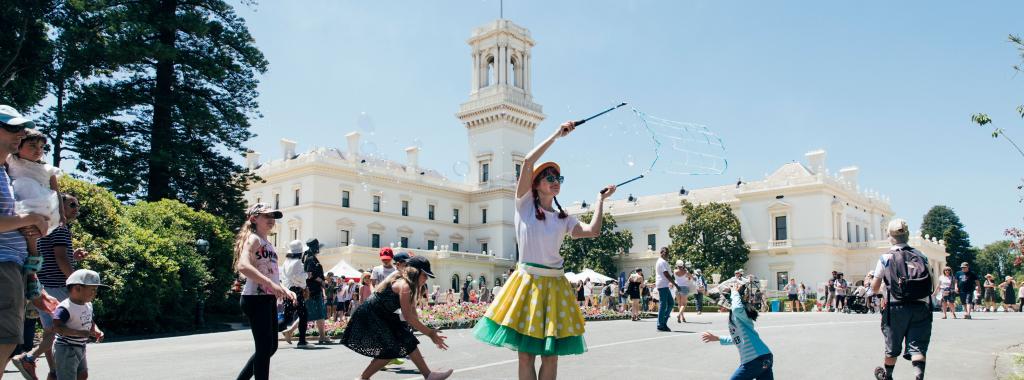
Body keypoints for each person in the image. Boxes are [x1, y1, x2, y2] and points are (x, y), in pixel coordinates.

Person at [473, 119, 617, 380]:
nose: (555, 181)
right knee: (525, 353)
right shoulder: (525, 205)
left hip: (554, 285)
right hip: (527, 283)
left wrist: (600, 200)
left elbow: (593, 231)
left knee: (551, 354)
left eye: (558, 178)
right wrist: (556, 135)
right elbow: (527, 162)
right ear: (536, 183)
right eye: (549, 177)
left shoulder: (564, 218)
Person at [0, 105, 52, 374]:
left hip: (14, 265)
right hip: (3, 266)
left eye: (21, 128)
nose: (19, 133)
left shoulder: (5, 175)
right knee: (5, 341)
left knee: (8, 341)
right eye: (11, 128)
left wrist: (34, 225)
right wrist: (31, 218)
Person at [340, 256, 452, 380]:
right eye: (425, 275)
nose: (426, 279)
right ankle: (363, 378)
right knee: (392, 349)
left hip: (384, 315)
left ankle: (428, 375)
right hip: (373, 316)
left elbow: (412, 312)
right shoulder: (405, 285)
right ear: (415, 272)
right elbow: (408, 316)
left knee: (406, 341)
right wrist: (430, 333)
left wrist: (428, 331)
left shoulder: (409, 284)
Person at [12, 194, 87, 380]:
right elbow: (60, 258)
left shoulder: (46, 226)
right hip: (57, 286)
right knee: (59, 329)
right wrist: (76, 281)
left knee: (50, 330)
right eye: (71, 204)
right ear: (58, 207)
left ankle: (53, 371)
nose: (76, 208)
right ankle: (29, 357)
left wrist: (73, 256)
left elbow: (54, 255)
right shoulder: (60, 228)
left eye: (77, 205)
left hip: (42, 285)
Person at [234, 203, 295, 380]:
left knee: (270, 347)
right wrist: (271, 284)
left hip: (266, 298)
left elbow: (270, 273)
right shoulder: (254, 239)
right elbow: (243, 266)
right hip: (255, 298)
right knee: (264, 348)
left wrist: (284, 288)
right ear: (254, 219)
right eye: (266, 216)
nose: (271, 220)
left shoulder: (268, 243)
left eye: (273, 217)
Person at [870, 219, 933, 380]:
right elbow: (931, 284)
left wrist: (871, 287)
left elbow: (875, 288)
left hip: (895, 307)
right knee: (918, 348)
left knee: (892, 346)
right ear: (908, 235)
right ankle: (918, 376)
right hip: (921, 307)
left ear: (890, 237)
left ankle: (888, 376)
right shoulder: (921, 256)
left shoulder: (886, 258)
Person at [8, 129, 63, 311]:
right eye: (32, 146)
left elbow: (57, 194)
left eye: (41, 147)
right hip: (20, 204)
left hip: (42, 207)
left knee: (33, 238)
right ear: (19, 147)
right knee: (27, 240)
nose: (38, 150)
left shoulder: (47, 169)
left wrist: (61, 217)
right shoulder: (11, 161)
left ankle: (32, 276)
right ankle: (32, 277)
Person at [700, 281, 774, 380]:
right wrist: (717, 338)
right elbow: (738, 339)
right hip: (764, 357)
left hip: (754, 360)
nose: (719, 304)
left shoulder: (739, 312)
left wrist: (735, 292)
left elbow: (736, 308)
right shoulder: (735, 316)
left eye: (720, 301)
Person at [52, 269, 107, 380]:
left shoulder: (88, 305)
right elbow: (57, 327)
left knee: (82, 374)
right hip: (66, 347)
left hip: (80, 346)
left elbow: (89, 320)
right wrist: (79, 333)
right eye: (92, 289)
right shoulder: (65, 308)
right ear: (77, 288)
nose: (95, 293)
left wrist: (96, 329)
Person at [279, 240, 308, 345]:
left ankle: (271, 333)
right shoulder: (298, 263)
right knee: (303, 315)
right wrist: (306, 276)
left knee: (288, 317)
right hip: (296, 290)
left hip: (288, 290)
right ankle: (302, 341)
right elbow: (298, 277)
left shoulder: (286, 261)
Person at [303, 238, 329, 344]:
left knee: (315, 314)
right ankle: (322, 336)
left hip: (314, 290)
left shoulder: (310, 258)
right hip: (313, 291)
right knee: (316, 314)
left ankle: (322, 336)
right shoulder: (310, 259)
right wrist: (323, 283)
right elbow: (310, 274)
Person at [655, 247, 675, 332]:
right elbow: (666, 274)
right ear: (661, 253)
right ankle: (660, 324)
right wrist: (675, 284)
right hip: (662, 284)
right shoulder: (661, 261)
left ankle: (663, 322)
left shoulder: (664, 261)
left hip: (664, 285)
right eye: (665, 252)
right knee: (663, 305)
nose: (667, 254)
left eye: (667, 253)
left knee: (670, 303)